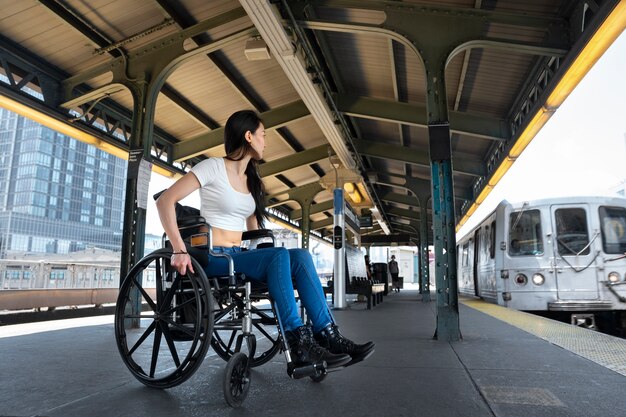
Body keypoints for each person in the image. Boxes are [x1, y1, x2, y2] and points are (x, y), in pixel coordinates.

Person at [156, 110, 374, 370]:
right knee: (279, 255)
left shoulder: (252, 182)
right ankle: (297, 341)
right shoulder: (213, 167)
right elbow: (165, 201)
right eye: (262, 135)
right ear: (248, 136)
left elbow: (254, 233)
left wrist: (266, 256)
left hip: (237, 255)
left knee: (301, 256)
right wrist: (179, 250)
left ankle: (328, 334)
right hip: (212, 256)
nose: (265, 141)